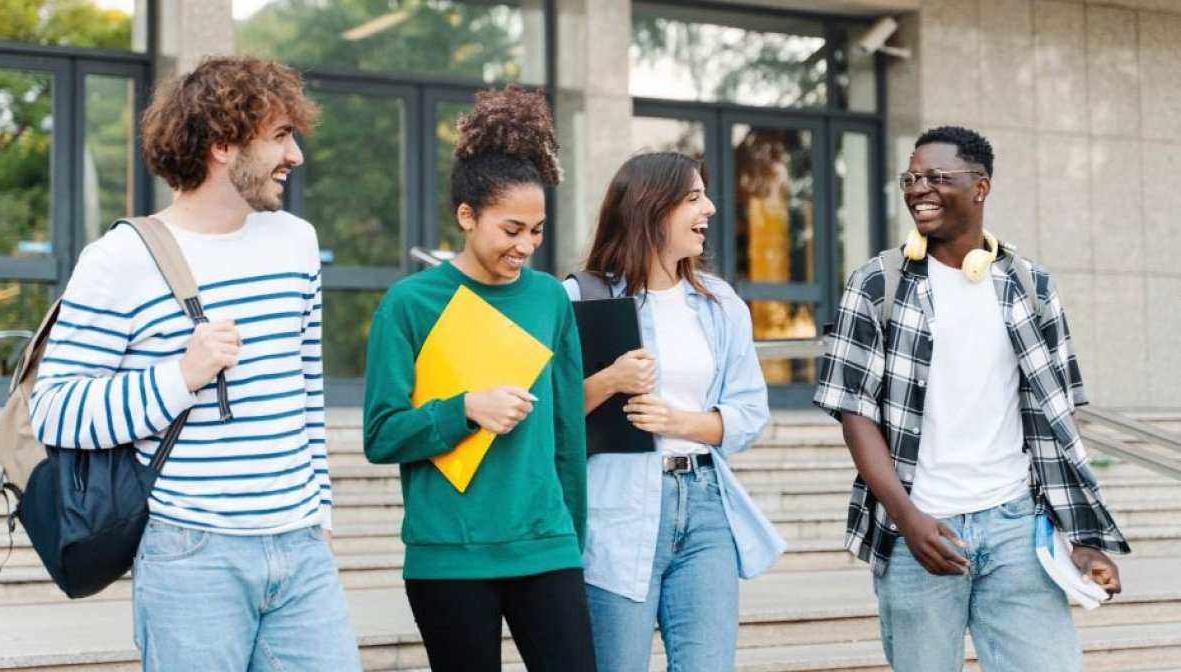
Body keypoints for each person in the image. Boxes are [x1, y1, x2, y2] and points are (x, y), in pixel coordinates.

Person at [27, 56, 361, 669]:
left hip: (302, 551)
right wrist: (178, 378)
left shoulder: (296, 242)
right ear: (223, 144)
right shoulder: (119, 259)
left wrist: (321, 513)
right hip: (191, 554)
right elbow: (53, 411)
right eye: (282, 137)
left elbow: (307, 390)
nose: (296, 156)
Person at [814, 125, 1128, 670]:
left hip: (1016, 528)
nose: (919, 189)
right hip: (921, 528)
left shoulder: (1031, 286)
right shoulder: (876, 285)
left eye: (938, 177)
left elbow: (1056, 422)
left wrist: (1080, 537)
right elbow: (854, 413)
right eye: (912, 177)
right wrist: (907, 517)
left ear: (980, 187)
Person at [361, 84, 594, 672]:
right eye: (511, 229)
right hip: (450, 555)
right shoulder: (409, 305)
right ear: (467, 216)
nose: (527, 246)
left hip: (547, 546)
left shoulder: (549, 300)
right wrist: (463, 408)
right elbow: (381, 435)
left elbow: (568, 431)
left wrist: (573, 534)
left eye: (537, 231)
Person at [564, 151, 783, 671]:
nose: (709, 207)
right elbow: (549, 412)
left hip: (706, 506)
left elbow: (749, 414)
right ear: (651, 208)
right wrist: (611, 380)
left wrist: (677, 422)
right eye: (692, 198)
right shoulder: (580, 297)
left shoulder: (721, 303)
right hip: (616, 507)